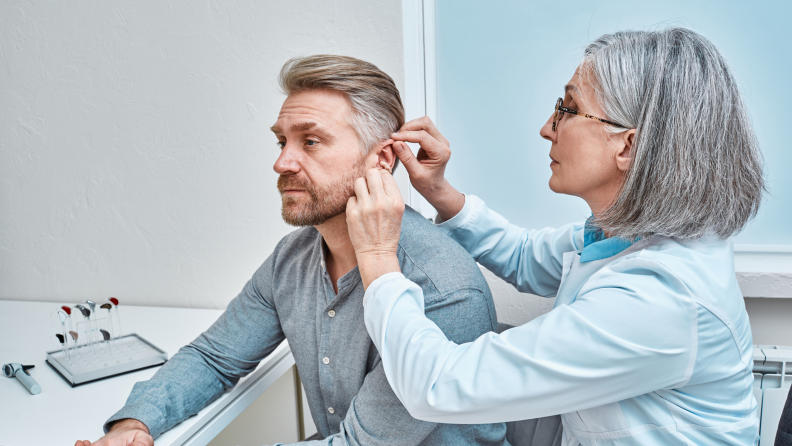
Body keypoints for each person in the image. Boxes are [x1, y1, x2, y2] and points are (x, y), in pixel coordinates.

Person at [346, 28, 765, 446]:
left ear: (629, 147)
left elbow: (437, 387)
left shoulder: (661, 298)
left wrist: (378, 256)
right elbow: (527, 257)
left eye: (569, 108)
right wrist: (438, 191)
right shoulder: (630, 233)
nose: (547, 128)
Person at [74, 55, 507, 446]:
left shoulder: (443, 289)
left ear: (382, 160)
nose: (282, 163)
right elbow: (214, 357)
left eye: (311, 142)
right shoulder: (293, 257)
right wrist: (135, 424)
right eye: (282, 142)